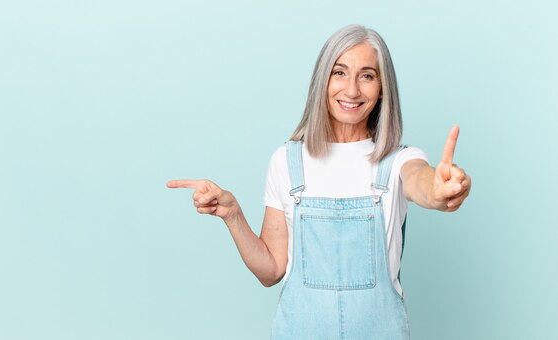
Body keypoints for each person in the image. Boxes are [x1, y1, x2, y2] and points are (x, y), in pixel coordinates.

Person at [167, 24, 471, 340]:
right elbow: (271, 271)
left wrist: (440, 191)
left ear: (382, 88)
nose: (352, 90)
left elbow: (422, 183)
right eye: (339, 73)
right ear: (322, 80)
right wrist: (232, 215)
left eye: (367, 75)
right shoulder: (287, 161)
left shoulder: (398, 160)